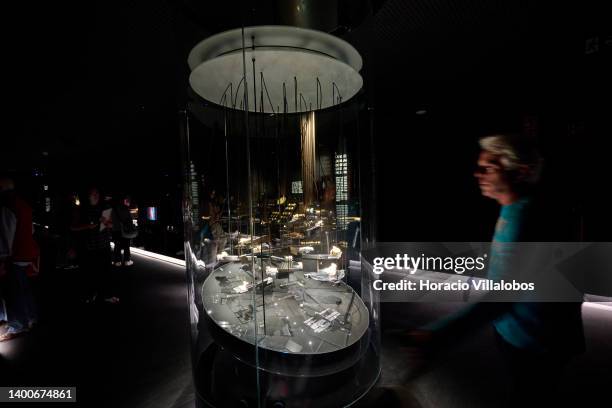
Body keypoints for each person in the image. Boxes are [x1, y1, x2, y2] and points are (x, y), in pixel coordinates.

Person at [407, 134, 585, 406]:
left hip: (535, 339)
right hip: (524, 331)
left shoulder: (527, 218)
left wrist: (435, 335)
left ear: (521, 172)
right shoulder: (518, 208)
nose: (478, 173)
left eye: (489, 167)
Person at [0, 176, 39, 341]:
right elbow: (31, 230)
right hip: (27, 252)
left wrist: (2, 259)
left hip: (15, 254)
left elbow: (6, 235)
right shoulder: (24, 205)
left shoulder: (7, 206)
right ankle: (31, 317)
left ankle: (18, 325)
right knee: (24, 288)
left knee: (15, 291)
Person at [71, 187, 118, 304]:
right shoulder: (82, 210)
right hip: (88, 246)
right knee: (89, 273)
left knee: (106, 272)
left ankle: (106, 295)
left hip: (104, 245)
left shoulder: (105, 207)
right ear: (88, 196)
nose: (95, 195)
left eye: (97, 193)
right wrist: (88, 226)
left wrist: (105, 222)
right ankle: (90, 294)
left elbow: (111, 226)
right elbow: (72, 227)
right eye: (93, 193)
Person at [112, 195, 136, 267]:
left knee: (117, 246)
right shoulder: (125, 209)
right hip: (124, 230)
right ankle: (127, 261)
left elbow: (112, 220)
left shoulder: (114, 209)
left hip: (115, 230)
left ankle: (117, 261)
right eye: (128, 201)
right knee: (126, 245)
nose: (129, 203)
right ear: (125, 201)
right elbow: (129, 220)